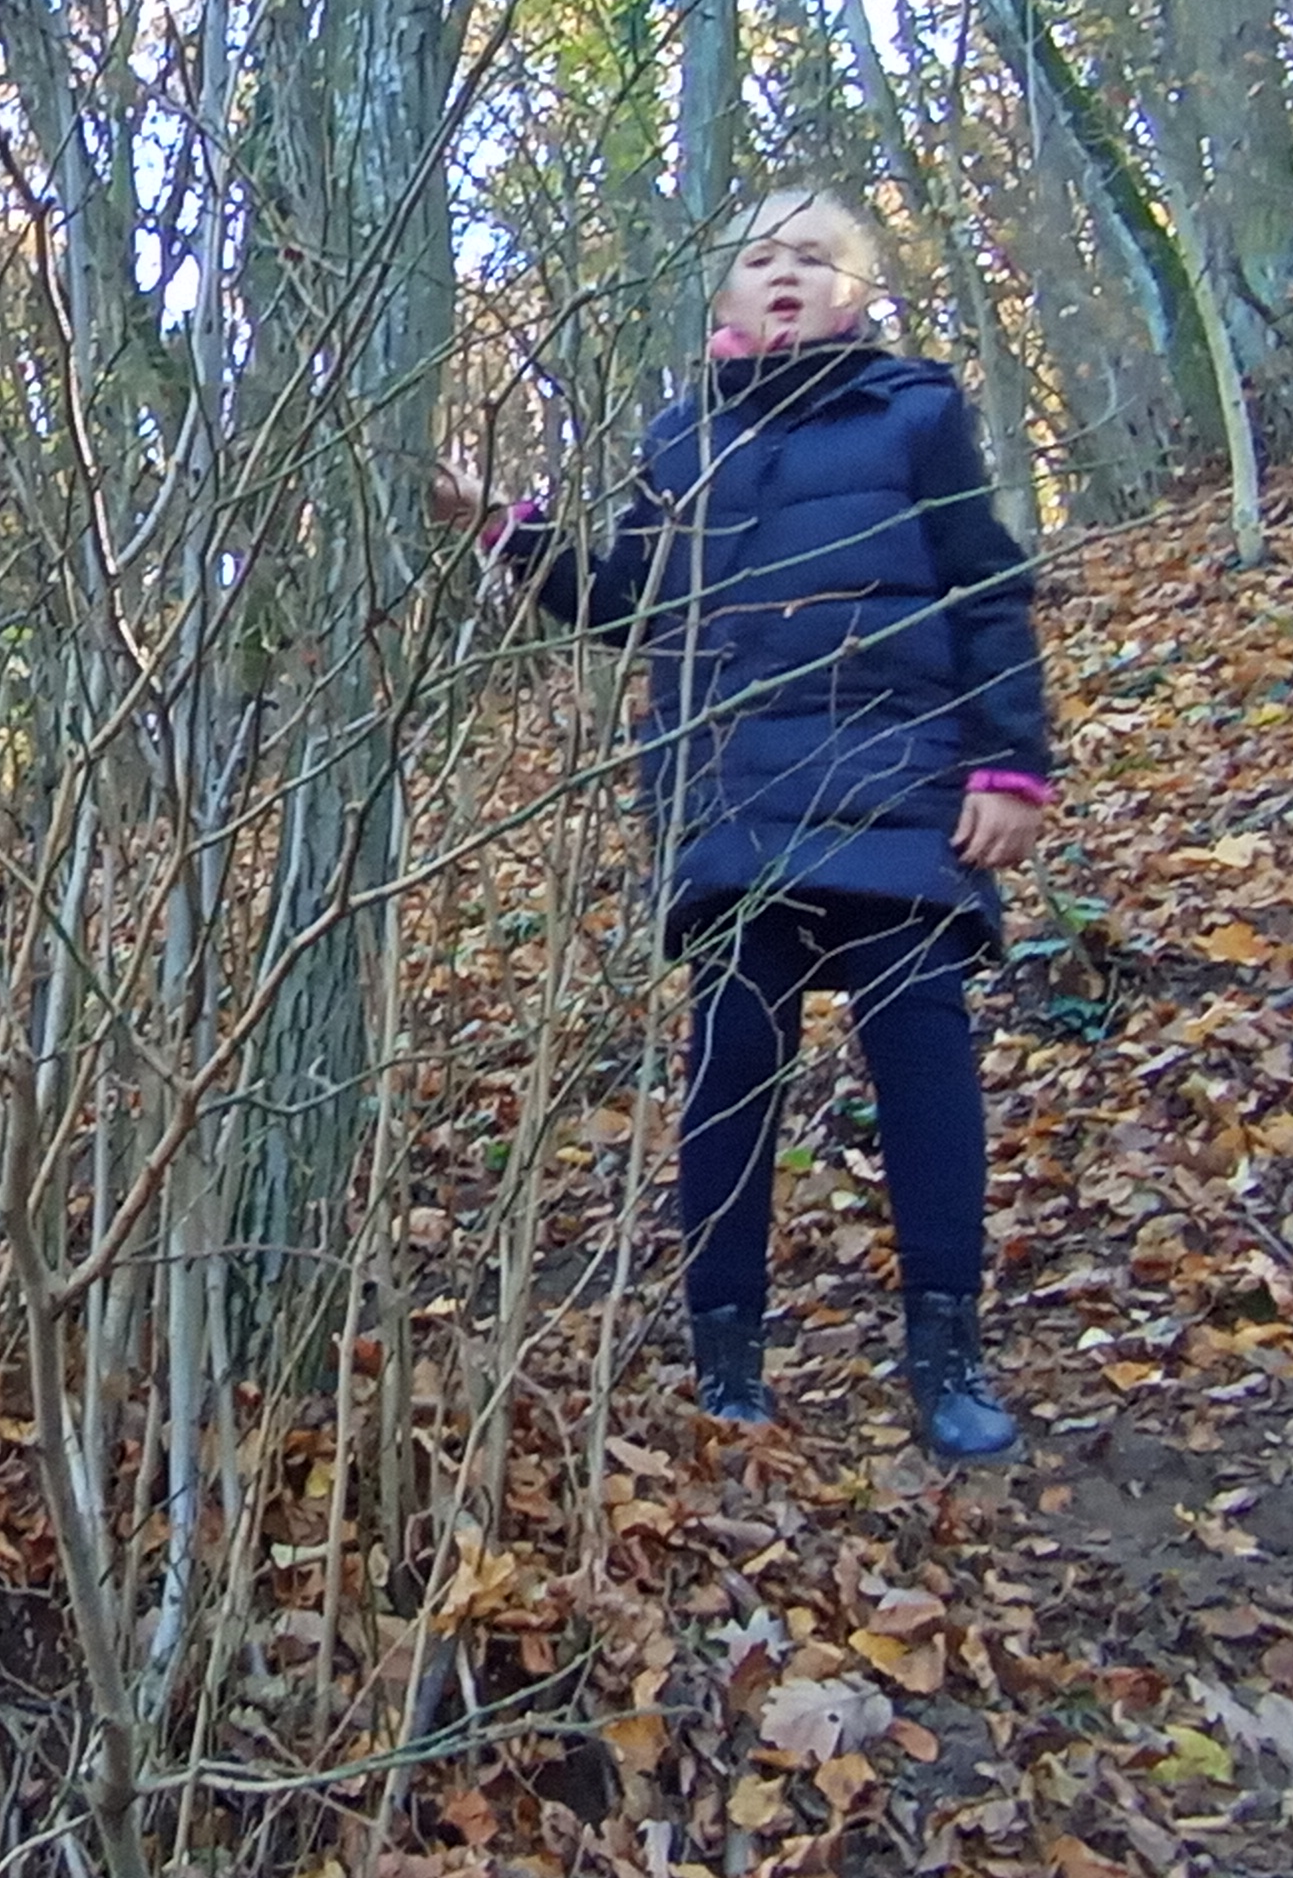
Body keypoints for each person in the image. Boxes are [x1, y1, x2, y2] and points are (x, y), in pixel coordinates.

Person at [434, 188, 1053, 1463]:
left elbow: (986, 590)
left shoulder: (915, 411)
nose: (785, 275)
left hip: (897, 779)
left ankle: (947, 1352)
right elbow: (626, 604)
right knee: (730, 1066)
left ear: (854, 294)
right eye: (761, 258)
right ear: (723, 293)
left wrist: (1009, 769)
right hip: (736, 796)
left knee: (923, 1058)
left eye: (814, 260)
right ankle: (728, 1365)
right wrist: (508, 528)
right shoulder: (683, 442)